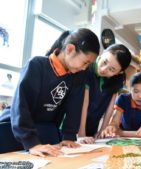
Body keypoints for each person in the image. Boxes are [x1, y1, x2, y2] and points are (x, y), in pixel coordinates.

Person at [0, 28, 100, 157]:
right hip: (14, 128)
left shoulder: (77, 76)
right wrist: (31, 143)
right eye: (85, 62)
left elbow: (74, 108)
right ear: (70, 49)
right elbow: (21, 105)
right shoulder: (37, 65)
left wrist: (69, 136)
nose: (85, 68)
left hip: (44, 129)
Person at [78, 44, 132, 138]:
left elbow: (110, 106)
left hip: (92, 125)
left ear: (119, 72)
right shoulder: (87, 68)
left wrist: (102, 130)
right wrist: (81, 134)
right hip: (74, 125)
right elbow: (84, 103)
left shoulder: (117, 80)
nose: (103, 69)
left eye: (111, 69)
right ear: (102, 53)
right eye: (104, 62)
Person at [100, 72, 141, 138]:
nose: (140, 96)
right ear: (130, 89)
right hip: (127, 135)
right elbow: (115, 122)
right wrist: (111, 127)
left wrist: (121, 133)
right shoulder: (123, 99)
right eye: (136, 91)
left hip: (137, 136)